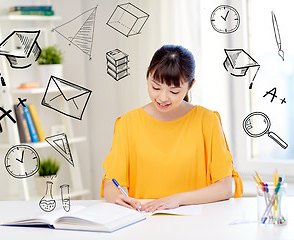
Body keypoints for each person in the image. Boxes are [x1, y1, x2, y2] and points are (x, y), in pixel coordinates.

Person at [100, 45, 243, 212]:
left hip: (197, 223)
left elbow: (224, 187)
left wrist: (177, 199)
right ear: (148, 76)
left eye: (174, 91)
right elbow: (111, 184)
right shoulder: (128, 123)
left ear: (190, 85)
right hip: (144, 221)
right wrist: (119, 198)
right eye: (155, 87)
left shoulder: (207, 121)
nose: (162, 97)